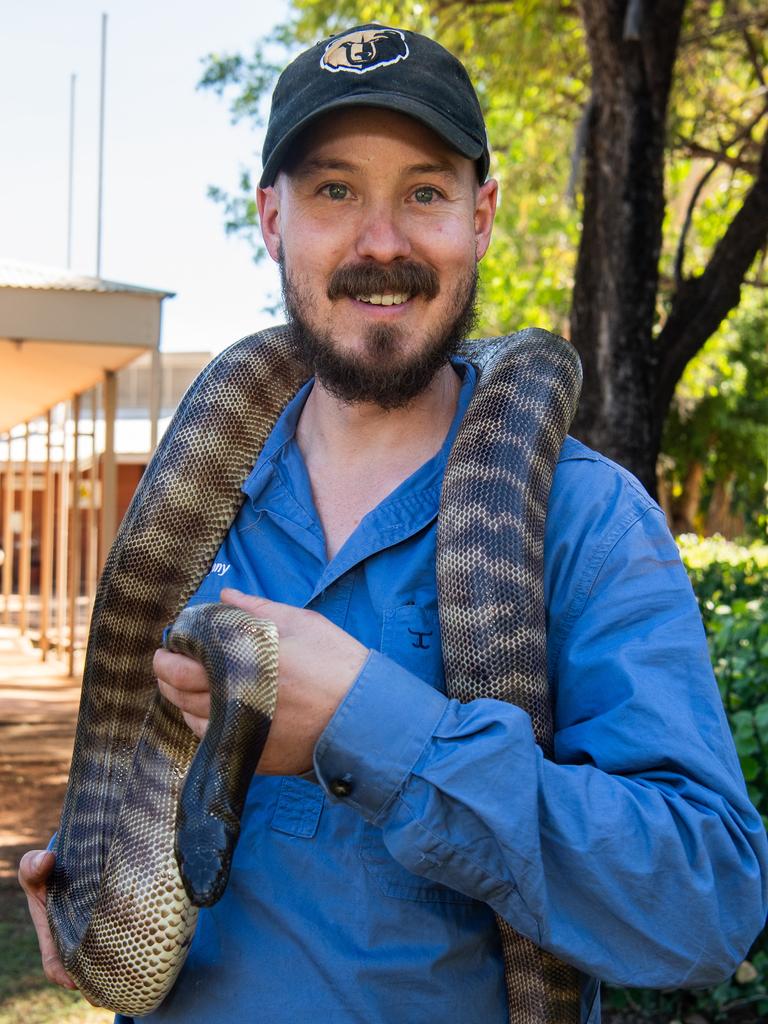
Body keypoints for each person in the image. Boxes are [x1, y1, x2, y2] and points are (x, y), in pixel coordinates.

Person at [19, 23, 767, 1024]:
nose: (382, 242)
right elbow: (119, 815)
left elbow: (705, 905)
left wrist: (371, 723)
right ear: (272, 218)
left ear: (482, 215)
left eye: (424, 192)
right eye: (336, 191)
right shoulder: (195, 513)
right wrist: (93, 915)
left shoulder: (584, 518)